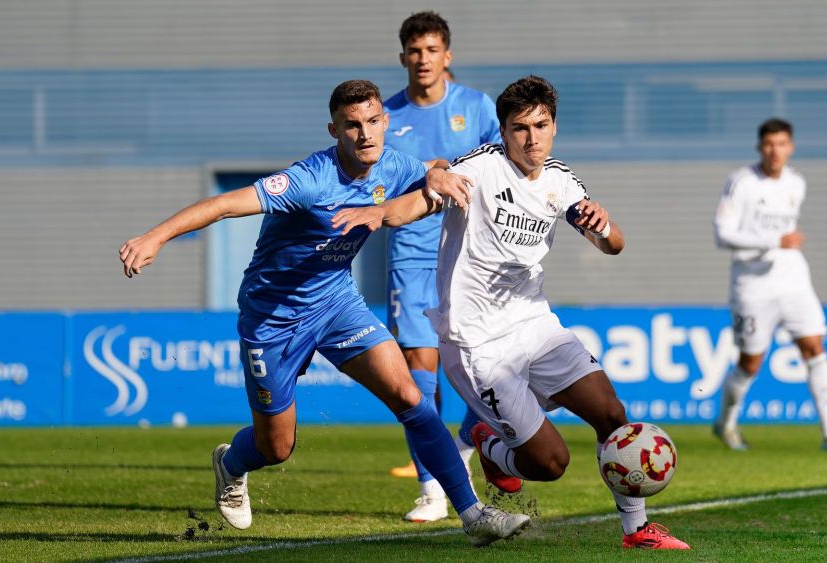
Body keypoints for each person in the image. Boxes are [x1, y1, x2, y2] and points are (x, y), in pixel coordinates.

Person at [118, 79, 530, 547]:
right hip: (272, 316)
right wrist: (154, 237)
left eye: (373, 121)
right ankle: (231, 463)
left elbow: (431, 169)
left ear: (385, 122)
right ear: (334, 130)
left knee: (410, 397)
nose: (365, 134)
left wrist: (436, 175)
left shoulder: (393, 165)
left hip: (337, 304)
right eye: (352, 125)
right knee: (277, 446)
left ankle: (472, 514)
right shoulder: (307, 179)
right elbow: (222, 205)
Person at [333, 75, 690, 550]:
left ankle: (636, 530)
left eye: (541, 126)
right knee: (550, 464)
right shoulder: (479, 168)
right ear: (502, 131)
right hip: (476, 341)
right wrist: (379, 214)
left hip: (534, 324)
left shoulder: (561, 180)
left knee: (611, 412)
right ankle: (492, 449)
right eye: (520, 128)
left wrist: (604, 229)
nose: (532, 138)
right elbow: (420, 202)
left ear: (554, 127)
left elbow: (614, 245)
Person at [381, 11, 503, 523]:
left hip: (469, 255)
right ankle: (432, 490)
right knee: (417, 378)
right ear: (403, 56)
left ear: (446, 56)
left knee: (488, 369)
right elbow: (375, 184)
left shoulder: (476, 107)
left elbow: (504, 166)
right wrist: (424, 174)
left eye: (432, 50)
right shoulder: (385, 117)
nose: (423, 59)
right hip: (410, 255)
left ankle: (465, 444)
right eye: (414, 50)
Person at [712, 118, 827, 454]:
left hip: (793, 280)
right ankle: (726, 424)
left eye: (781, 144)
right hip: (752, 285)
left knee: (814, 347)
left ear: (790, 147)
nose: (775, 151)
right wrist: (775, 239)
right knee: (751, 362)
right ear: (759, 147)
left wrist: (781, 245)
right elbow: (722, 234)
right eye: (768, 144)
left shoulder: (796, 183)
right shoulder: (741, 182)